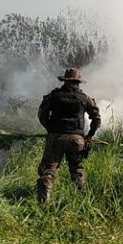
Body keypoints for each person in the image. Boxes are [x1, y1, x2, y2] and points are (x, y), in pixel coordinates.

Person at [36, 68, 101, 203]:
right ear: (78, 82)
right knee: (77, 169)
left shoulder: (53, 96)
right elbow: (96, 118)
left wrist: (50, 128)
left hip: (56, 137)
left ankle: (44, 202)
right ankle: (83, 201)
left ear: (64, 81)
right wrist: (89, 135)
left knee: (49, 169)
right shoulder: (85, 98)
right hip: (77, 140)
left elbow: (42, 114)